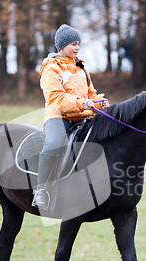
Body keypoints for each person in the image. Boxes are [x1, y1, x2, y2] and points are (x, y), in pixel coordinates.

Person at [33, 24, 109, 210]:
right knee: (53, 144)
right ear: (61, 46)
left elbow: (91, 93)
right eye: (73, 44)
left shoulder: (81, 67)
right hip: (58, 116)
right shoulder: (50, 69)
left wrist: (99, 101)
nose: (77, 47)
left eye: (78, 44)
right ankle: (41, 190)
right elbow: (55, 98)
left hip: (82, 116)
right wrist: (84, 103)